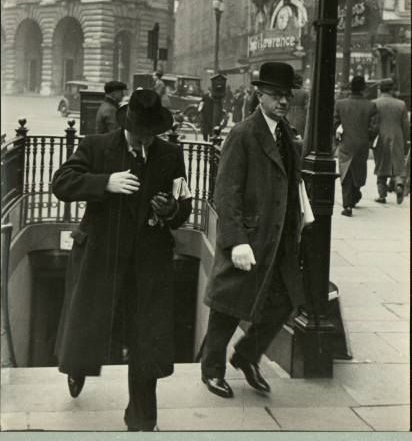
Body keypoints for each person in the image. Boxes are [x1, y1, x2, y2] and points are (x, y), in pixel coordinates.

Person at [52, 89, 192, 431]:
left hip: (147, 263)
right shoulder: (96, 146)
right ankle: (77, 368)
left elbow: (183, 202)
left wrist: (171, 210)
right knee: (88, 326)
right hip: (102, 255)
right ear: (127, 124)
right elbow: (61, 183)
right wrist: (105, 183)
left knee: (147, 337)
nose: (144, 139)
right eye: (139, 132)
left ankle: (142, 420)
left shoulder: (171, 154)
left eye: (150, 133)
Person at [201, 62, 305, 399]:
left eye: (286, 95)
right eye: (275, 95)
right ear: (259, 95)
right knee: (229, 304)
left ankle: (246, 356)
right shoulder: (244, 133)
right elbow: (226, 192)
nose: (283, 101)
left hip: (279, 239)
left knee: (285, 300)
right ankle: (212, 370)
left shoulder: (285, 133)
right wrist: (235, 241)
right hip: (250, 236)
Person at [333, 75, 379, 217]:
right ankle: (355, 194)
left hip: (346, 142)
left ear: (350, 87)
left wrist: (339, 135)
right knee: (359, 170)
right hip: (362, 143)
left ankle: (347, 205)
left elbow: (335, 123)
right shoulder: (371, 105)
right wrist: (368, 138)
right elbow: (374, 127)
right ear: (363, 88)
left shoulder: (340, 104)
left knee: (345, 172)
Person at [372, 78, 409, 204]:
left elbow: (372, 123)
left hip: (381, 137)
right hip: (397, 136)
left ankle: (382, 196)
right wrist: (405, 140)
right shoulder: (401, 104)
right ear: (392, 89)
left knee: (381, 165)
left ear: (380, 89)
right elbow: (405, 125)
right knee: (398, 164)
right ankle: (399, 184)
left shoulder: (375, 103)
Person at [287, 74, 309, 138]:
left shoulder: (289, 91)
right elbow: (307, 107)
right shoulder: (305, 93)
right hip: (301, 116)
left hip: (289, 114)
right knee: (300, 134)